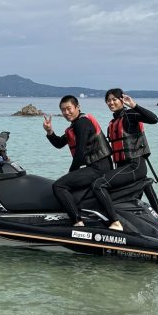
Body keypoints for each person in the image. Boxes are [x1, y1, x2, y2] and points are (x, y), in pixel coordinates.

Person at [43, 95, 117, 228]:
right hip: (98, 166)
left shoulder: (82, 124)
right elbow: (59, 143)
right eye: (63, 110)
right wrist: (49, 131)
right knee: (66, 182)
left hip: (99, 167)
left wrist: (71, 174)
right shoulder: (76, 125)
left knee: (59, 186)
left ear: (77, 107)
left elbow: (80, 153)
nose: (66, 112)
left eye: (69, 108)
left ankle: (77, 222)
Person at [95, 89, 158, 222]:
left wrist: (134, 105)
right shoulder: (112, 123)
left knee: (99, 184)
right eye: (108, 100)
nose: (111, 103)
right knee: (138, 184)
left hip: (135, 165)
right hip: (125, 167)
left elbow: (154, 119)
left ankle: (113, 220)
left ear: (122, 100)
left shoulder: (129, 115)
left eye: (114, 99)